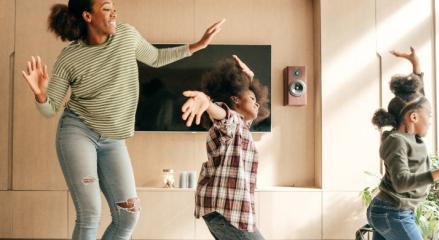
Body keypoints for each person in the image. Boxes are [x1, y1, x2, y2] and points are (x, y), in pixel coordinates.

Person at [20, 0, 224, 239]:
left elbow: (156, 57)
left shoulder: (127, 35)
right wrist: (41, 94)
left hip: (113, 140)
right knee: (89, 214)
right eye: (107, 8)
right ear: (87, 16)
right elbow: (49, 108)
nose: (114, 11)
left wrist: (197, 45)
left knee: (128, 215)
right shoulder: (70, 57)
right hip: (78, 132)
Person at [367, 46, 439, 240]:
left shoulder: (411, 137)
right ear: (413, 117)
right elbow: (402, 182)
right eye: (428, 116)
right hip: (392, 212)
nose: (430, 120)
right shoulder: (396, 141)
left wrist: (415, 63)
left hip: (394, 211)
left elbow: (419, 96)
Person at [180, 55, 269, 240]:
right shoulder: (232, 123)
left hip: (224, 210)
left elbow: (248, 114)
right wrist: (207, 104)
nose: (257, 102)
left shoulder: (242, 127)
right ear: (235, 99)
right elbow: (223, 115)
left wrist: (250, 79)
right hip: (224, 209)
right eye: (251, 97)